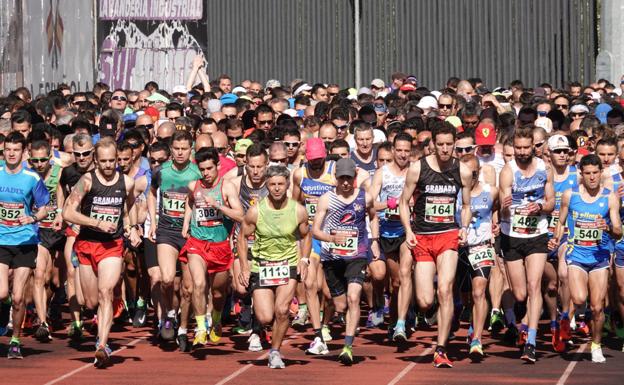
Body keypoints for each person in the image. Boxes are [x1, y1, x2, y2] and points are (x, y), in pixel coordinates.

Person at [399, 121, 472, 367]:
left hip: (448, 235)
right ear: (433, 145)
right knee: (425, 300)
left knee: (445, 288)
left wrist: (464, 228)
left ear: (454, 144)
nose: (444, 149)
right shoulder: (417, 168)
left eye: (449, 145)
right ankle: (440, 312)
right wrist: (408, 230)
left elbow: (466, 205)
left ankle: (441, 348)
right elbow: (403, 201)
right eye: (440, 144)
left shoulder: (462, 170)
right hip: (422, 236)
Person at [63, 137, 141, 367]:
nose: (108, 165)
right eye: (103, 161)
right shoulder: (87, 181)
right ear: (96, 161)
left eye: (112, 161)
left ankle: (102, 344)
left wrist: (131, 228)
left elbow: (128, 208)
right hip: (87, 243)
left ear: (117, 159)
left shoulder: (126, 183)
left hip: (112, 245)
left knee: (106, 291)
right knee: (90, 301)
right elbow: (68, 212)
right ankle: (99, 326)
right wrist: (95, 223)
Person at [238, 165, 311, 369]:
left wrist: (304, 260)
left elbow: (306, 236)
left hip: (288, 265)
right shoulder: (256, 211)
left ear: (287, 184)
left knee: (282, 310)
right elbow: (242, 237)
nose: (277, 188)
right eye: (272, 184)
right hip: (262, 266)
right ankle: (260, 328)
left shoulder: (297, 210)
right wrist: (244, 266)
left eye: (280, 184)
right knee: (265, 316)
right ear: (266, 186)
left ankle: (275, 351)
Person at [551, 154, 622, 363]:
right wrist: (555, 239)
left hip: (600, 257)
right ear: (581, 174)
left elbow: (618, 231)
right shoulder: (569, 195)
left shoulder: (610, 197)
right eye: (588, 173)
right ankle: (567, 317)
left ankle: (596, 344)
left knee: (597, 307)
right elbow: (560, 221)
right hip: (577, 255)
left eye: (595, 173)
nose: (592, 177)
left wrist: (607, 227)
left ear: (601, 173)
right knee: (580, 298)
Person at [312, 158, 380, 365]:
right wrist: (331, 238)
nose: (345, 183)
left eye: (348, 178)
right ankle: (337, 323)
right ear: (335, 178)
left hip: (356, 255)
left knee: (353, 297)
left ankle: (348, 346)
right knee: (340, 305)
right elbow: (314, 230)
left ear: (354, 178)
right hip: (332, 257)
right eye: (341, 178)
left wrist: (374, 240)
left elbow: (373, 216)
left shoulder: (364, 197)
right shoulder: (326, 199)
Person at [499, 126, 555, 363]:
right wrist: (505, 206)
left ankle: (531, 341)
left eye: (526, 148)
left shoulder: (545, 169)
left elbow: (551, 201)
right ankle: (517, 319)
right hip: (512, 235)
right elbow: (502, 205)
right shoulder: (508, 171)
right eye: (518, 148)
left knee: (534, 286)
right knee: (521, 293)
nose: (522, 152)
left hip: (537, 234)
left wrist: (540, 207)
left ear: (533, 146)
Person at [179, 147, 244, 348]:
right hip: (197, 243)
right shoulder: (194, 185)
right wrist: (186, 223)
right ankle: (199, 328)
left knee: (217, 293)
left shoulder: (227, 187)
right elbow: (190, 203)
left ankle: (215, 318)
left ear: (218, 166)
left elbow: (240, 215)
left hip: (220, 246)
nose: (206, 173)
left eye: (210, 168)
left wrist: (218, 206)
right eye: (202, 169)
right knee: (198, 284)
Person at [148, 130, 201, 350]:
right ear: (171, 150)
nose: (180, 153)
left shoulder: (197, 173)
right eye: (176, 149)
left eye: (184, 149)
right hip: (166, 231)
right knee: (167, 279)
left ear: (191, 150)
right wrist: (152, 221)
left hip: (189, 234)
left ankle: (184, 327)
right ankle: (169, 313)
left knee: (188, 288)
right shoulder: (161, 171)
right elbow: (152, 193)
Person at [0, 132, 50, 358]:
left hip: (24, 241)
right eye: (8, 149)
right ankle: (4, 310)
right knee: (2, 293)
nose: (11, 153)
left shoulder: (31, 177)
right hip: (1, 240)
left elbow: (44, 206)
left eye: (16, 150)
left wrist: (34, 218)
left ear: (24, 153)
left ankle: (15, 340)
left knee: (19, 297)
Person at [291, 138, 336, 353]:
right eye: (313, 160)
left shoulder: (334, 171)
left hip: (332, 237)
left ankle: (326, 323)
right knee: (310, 284)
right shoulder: (300, 174)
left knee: (329, 293)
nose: (316, 164)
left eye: (319, 160)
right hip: (310, 237)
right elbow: (295, 203)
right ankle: (317, 332)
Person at [368, 133, 412, 339]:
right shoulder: (382, 173)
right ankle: (395, 320)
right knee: (395, 283)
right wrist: (390, 204)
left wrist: (409, 204)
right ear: (393, 151)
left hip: (406, 231)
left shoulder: (414, 172)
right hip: (385, 231)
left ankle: (401, 323)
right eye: (399, 150)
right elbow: (371, 203)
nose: (403, 154)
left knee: (404, 277)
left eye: (407, 150)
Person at [456, 155, 498, 359]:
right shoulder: (455, 192)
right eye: (465, 173)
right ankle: (469, 319)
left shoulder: (491, 192)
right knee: (465, 297)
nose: (468, 177)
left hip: (481, 247)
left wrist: (497, 224)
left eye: (472, 173)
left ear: (478, 172)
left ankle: (477, 340)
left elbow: (500, 209)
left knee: (479, 291)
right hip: (459, 250)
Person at [29, 140, 64, 342]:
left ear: (50, 157)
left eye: (43, 159)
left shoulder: (59, 171)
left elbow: (60, 190)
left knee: (55, 280)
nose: (40, 164)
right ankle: (42, 322)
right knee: (39, 276)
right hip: (39, 231)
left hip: (57, 230)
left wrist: (59, 212)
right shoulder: (28, 175)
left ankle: (53, 305)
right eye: (35, 160)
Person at [545, 134, 577, 350]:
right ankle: (554, 322)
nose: (562, 155)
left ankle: (566, 317)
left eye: (565, 151)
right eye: (558, 151)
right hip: (543, 234)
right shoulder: (541, 176)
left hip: (567, 234)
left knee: (565, 275)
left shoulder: (577, 176)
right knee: (551, 285)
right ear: (549, 154)